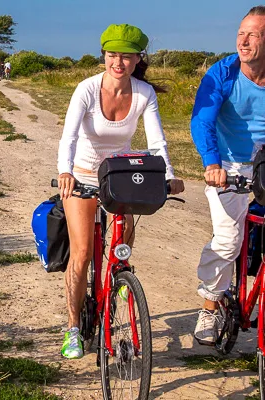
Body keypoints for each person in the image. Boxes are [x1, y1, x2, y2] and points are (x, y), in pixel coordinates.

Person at [56, 23, 185, 359]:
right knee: (82, 253)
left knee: (124, 236)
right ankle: (72, 328)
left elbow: (156, 140)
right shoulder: (86, 89)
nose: (118, 62)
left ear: (137, 59)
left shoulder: (143, 93)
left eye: (126, 56)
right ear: (104, 57)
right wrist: (65, 172)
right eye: (112, 55)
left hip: (119, 176)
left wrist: (169, 174)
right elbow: (69, 137)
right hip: (83, 176)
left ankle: (119, 279)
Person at [190, 6, 265, 346]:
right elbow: (202, 119)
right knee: (228, 239)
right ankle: (209, 305)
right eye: (240, 33)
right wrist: (211, 163)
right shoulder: (224, 72)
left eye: (253, 34)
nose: (243, 41)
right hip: (229, 165)